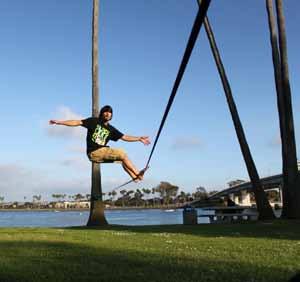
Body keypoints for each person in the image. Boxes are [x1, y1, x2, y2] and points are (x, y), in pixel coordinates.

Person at [49, 105, 150, 182]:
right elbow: (77, 122)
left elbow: (124, 137)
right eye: (106, 111)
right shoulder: (94, 121)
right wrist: (59, 122)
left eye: (110, 112)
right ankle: (138, 174)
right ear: (102, 113)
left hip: (99, 155)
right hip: (94, 151)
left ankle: (135, 178)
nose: (108, 114)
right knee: (122, 153)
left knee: (122, 160)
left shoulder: (111, 129)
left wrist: (139, 138)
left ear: (111, 116)